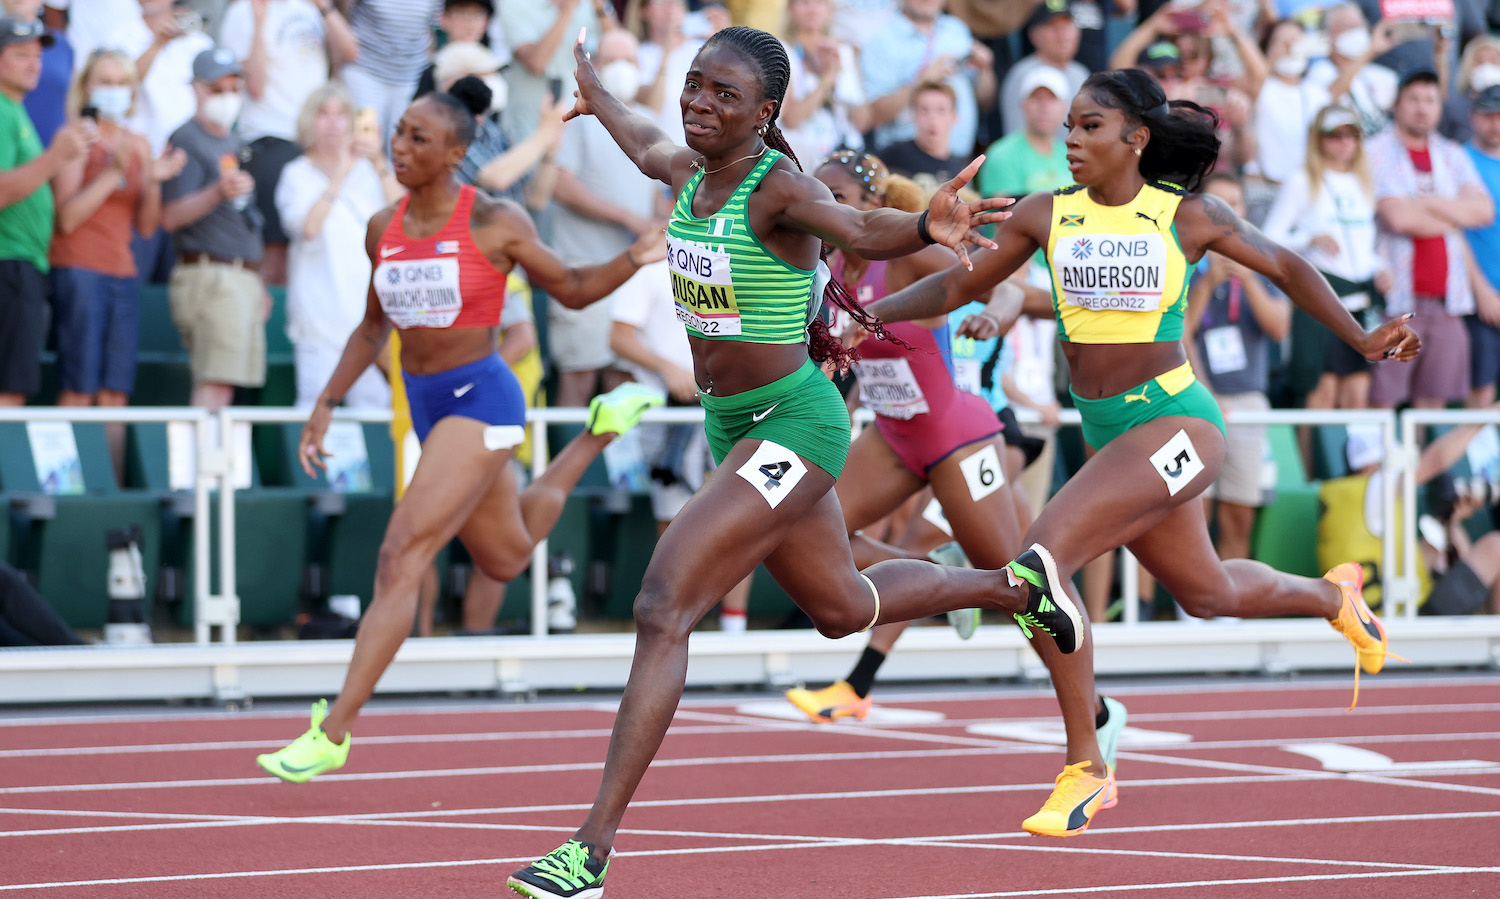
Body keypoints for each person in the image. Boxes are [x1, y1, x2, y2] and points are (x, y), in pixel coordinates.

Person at [507, 26, 1077, 899]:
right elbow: (641, 136)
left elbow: (858, 224)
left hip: (796, 422)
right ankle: (1016, 586)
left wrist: (927, 220)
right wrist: (593, 87)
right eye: (695, 84)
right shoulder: (686, 171)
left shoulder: (779, 190)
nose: (701, 101)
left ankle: (589, 849)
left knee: (665, 603)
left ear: (764, 113)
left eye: (723, 95)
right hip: (734, 425)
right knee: (843, 607)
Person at [863, 66, 1420, 838]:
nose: (1072, 140)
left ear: (1137, 138)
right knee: (1210, 592)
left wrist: (1360, 337)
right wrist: (861, 314)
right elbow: (956, 290)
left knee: (1040, 563)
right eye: (1067, 127)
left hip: (1181, 424)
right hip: (1109, 433)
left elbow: (1287, 265)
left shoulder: (1185, 216)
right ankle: (1335, 597)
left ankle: (1087, 764)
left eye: (1089, 126)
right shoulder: (1044, 214)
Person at [255, 82, 669, 783]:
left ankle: (334, 730)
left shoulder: (496, 221)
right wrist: (325, 401)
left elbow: (567, 286)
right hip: (424, 401)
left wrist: (632, 258)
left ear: (455, 152)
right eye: (399, 132)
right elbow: (372, 327)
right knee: (504, 557)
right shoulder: (380, 225)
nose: (401, 145)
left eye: (419, 137)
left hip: (484, 397)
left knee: (400, 552)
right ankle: (597, 433)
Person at [783, 152, 1127, 818]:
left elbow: (997, 284)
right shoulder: (820, 267)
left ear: (870, 200)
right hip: (892, 436)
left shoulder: (901, 255)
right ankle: (952, 583)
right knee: (809, 532)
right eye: (814, 193)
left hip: (955, 434)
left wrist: (994, 314)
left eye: (837, 194)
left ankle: (1094, 725)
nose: (821, 204)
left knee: (1030, 584)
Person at [49, 49, 185, 417]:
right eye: (105, 82)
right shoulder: (76, 137)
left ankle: (113, 475)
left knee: (115, 395)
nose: (115, 90)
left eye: (122, 82)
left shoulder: (138, 142)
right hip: (78, 268)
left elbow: (146, 226)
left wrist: (153, 182)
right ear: (87, 88)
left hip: (123, 273)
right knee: (80, 389)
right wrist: (113, 172)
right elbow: (66, 219)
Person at [1366, 69, 1493, 411]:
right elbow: (1398, 218)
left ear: (1440, 107)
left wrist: (1425, 202)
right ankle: (1378, 466)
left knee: (1433, 402)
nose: (1422, 108)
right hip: (1396, 299)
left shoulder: (1451, 153)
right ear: (1397, 105)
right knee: (1383, 397)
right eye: (1414, 99)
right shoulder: (1376, 150)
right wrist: (1454, 213)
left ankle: (1423, 467)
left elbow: (1483, 210)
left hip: (1450, 300)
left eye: (1430, 100)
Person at [1182, 173, 1289, 563]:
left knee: (1239, 513)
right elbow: (1177, 334)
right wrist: (1208, 287)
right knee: (1195, 509)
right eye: (1219, 203)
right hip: (1193, 398)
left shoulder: (1263, 262)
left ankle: (1229, 612)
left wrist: (1247, 278)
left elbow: (1279, 328)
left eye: (1236, 203)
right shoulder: (1186, 262)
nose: (1229, 212)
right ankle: (1190, 614)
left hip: (1246, 401)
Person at [275, 80, 400, 411]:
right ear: (309, 121)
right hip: (317, 318)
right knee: (315, 406)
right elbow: (309, 228)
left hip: (367, 317)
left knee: (373, 407)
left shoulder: (370, 172)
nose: (333, 124)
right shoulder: (295, 174)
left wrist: (378, 164)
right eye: (323, 114)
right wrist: (341, 173)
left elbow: (405, 221)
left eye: (341, 114)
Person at [220, 0, 358, 286]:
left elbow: (351, 52)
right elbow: (254, 86)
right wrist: (259, 21)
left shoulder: (311, 9)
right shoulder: (241, 12)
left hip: (314, 141)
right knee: (274, 248)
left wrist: (324, 7)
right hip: (270, 135)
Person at [159, 47, 266, 411]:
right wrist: (216, 192)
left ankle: (218, 465)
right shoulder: (186, 139)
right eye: (219, 88)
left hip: (240, 276)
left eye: (234, 87)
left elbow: (245, 218)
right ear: (198, 89)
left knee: (230, 387)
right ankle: (202, 466)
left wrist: (257, 280)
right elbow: (170, 216)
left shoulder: (234, 143)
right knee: (215, 387)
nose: (228, 96)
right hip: (211, 274)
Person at [1263, 105, 1386, 418]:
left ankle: (1354, 467)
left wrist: (1382, 268)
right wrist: (1309, 239)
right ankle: (1317, 468)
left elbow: (1365, 243)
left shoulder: (1365, 181)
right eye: (1335, 135)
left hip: (1360, 296)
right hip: (1321, 295)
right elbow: (1268, 237)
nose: (1345, 142)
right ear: (1318, 139)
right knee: (1322, 393)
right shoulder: (1302, 180)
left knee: (1358, 393)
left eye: (1352, 134)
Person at [0, 12, 93, 406]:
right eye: (21, 53)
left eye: (37, 54)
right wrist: (56, 157)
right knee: (9, 388)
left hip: (23, 263)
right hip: (10, 262)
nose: (34, 62)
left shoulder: (15, 111)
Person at [861, 0, 995, 158]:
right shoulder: (882, 39)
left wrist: (985, 69)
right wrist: (921, 81)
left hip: (958, 159)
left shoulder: (956, 28)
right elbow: (873, 115)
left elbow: (986, 100)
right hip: (907, 162)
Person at [340, 0, 444, 146]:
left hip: (411, 78)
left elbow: (433, 27)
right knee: (365, 142)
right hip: (365, 72)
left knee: (403, 146)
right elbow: (343, 13)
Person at [777, 0, 868, 166]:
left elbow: (861, 121)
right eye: (804, 3)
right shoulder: (782, 52)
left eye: (820, 2)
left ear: (830, 9)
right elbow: (792, 119)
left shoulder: (842, 51)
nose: (812, 9)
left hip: (846, 151)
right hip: (804, 154)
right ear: (790, 8)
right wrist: (827, 78)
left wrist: (842, 76)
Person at [1001, 0, 1088, 139]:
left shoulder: (1081, 74)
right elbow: (1016, 137)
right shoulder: (1022, 75)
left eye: (1066, 26)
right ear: (1033, 35)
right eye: (1053, 27)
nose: (1062, 35)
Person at [1466, 84, 1500, 409]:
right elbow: (1453, 232)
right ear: (1474, 116)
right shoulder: (1459, 160)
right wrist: (1482, 291)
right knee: (1482, 391)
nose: (1496, 124)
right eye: (1489, 115)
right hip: (1480, 299)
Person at [875, 80, 966, 193]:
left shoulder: (958, 166)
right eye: (924, 110)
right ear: (913, 114)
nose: (932, 119)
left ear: (954, 116)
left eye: (941, 110)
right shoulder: (895, 155)